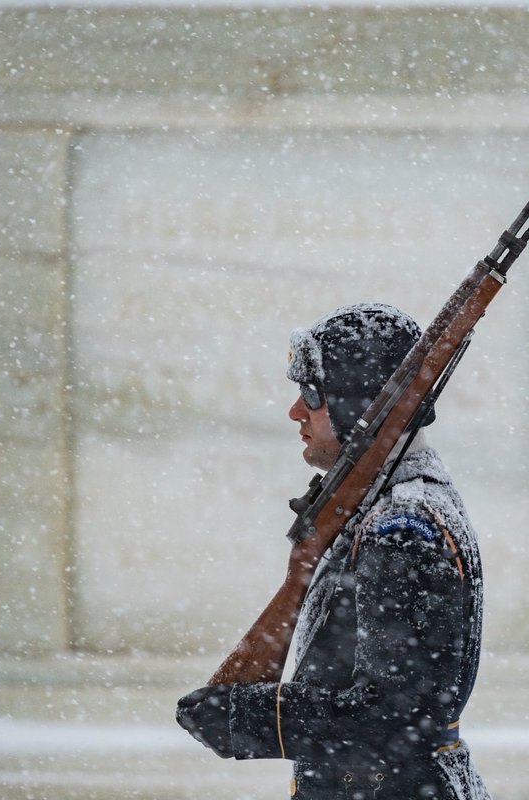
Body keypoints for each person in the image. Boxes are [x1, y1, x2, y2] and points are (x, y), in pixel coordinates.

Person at [177, 303, 491, 800]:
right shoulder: (390, 506)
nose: (295, 411)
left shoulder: (400, 528)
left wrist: (248, 717)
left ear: (357, 403)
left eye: (311, 395)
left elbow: (392, 718)